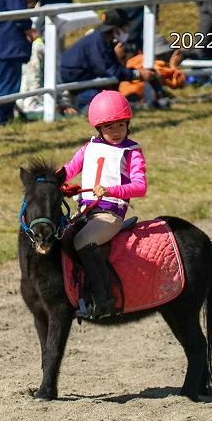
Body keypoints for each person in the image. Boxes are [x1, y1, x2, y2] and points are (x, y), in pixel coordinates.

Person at [60, 90, 147, 318]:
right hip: (84, 213)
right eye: (109, 127)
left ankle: (105, 300)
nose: (116, 132)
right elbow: (69, 169)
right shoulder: (89, 148)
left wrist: (111, 190)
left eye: (120, 125)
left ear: (128, 124)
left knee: (82, 240)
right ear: (99, 129)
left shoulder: (132, 153)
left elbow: (140, 187)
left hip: (110, 216)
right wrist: (51, 181)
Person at [59, 8, 154, 113]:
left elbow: (112, 68)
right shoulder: (97, 42)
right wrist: (137, 74)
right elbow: (110, 71)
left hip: (87, 80)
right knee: (100, 101)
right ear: (116, 29)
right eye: (125, 27)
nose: (128, 30)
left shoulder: (103, 40)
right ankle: (85, 108)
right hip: (80, 84)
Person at [119, 36, 185, 109]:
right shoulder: (150, 63)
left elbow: (178, 83)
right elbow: (177, 83)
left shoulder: (137, 60)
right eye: (164, 54)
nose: (166, 57)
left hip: (126, 96)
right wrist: (174, 66)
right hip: (134, 97)